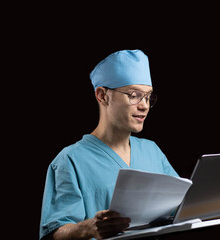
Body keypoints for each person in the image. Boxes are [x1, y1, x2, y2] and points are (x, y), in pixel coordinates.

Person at [39, 49, 179, 240]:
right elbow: (53, 233)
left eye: (148, 97)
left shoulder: (152, 151)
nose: (144, 105)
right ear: (102, 96)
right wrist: (88, 228)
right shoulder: (70, 160)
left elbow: (181, 206)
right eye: (134, 95)